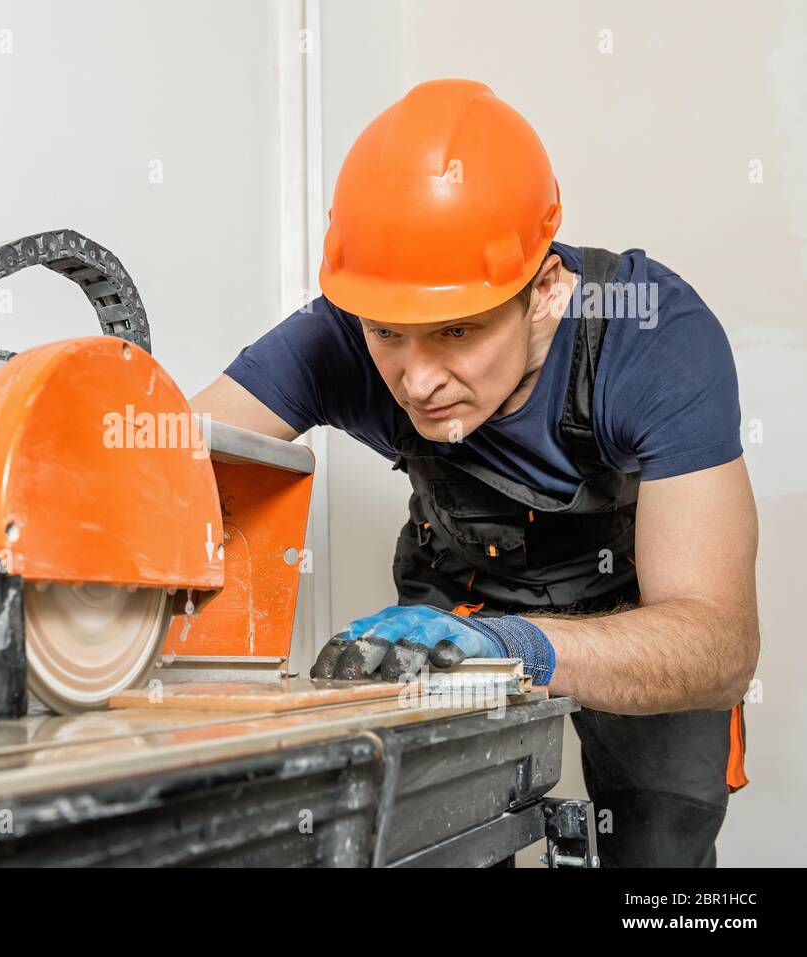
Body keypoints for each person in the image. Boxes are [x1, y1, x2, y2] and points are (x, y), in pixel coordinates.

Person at [191, 78, 757, 867]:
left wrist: (513, 645)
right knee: (436, 840)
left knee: (657, 853)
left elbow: (719, 642)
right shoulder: (341, 337)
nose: (418, 379)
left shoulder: (654, 339)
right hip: (457, 595)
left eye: (458, 330)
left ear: (547, 291)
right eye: (389, 333)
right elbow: (168, 462)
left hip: (642, 612)